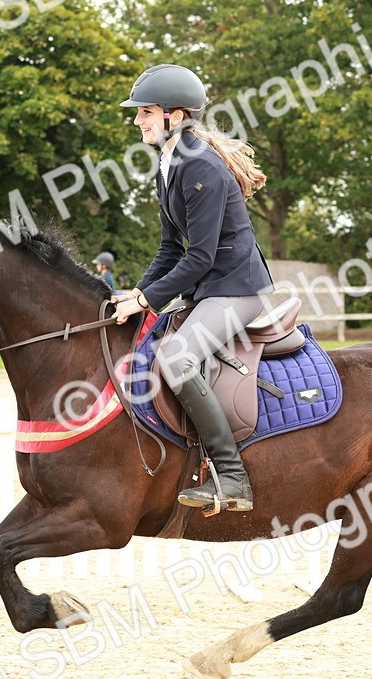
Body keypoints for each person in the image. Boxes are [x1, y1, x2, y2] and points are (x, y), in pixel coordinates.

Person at [112, 63, 273, 514]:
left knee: (176, 359)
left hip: (237, 288)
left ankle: (233, 477)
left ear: (175, 116)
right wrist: (135, 295)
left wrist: (147, 299)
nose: (138, 121)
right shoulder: (169, 165)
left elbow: (199, 256)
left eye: (145, 112)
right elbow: (169, 249)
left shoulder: (199, 165)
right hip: (208, 288)